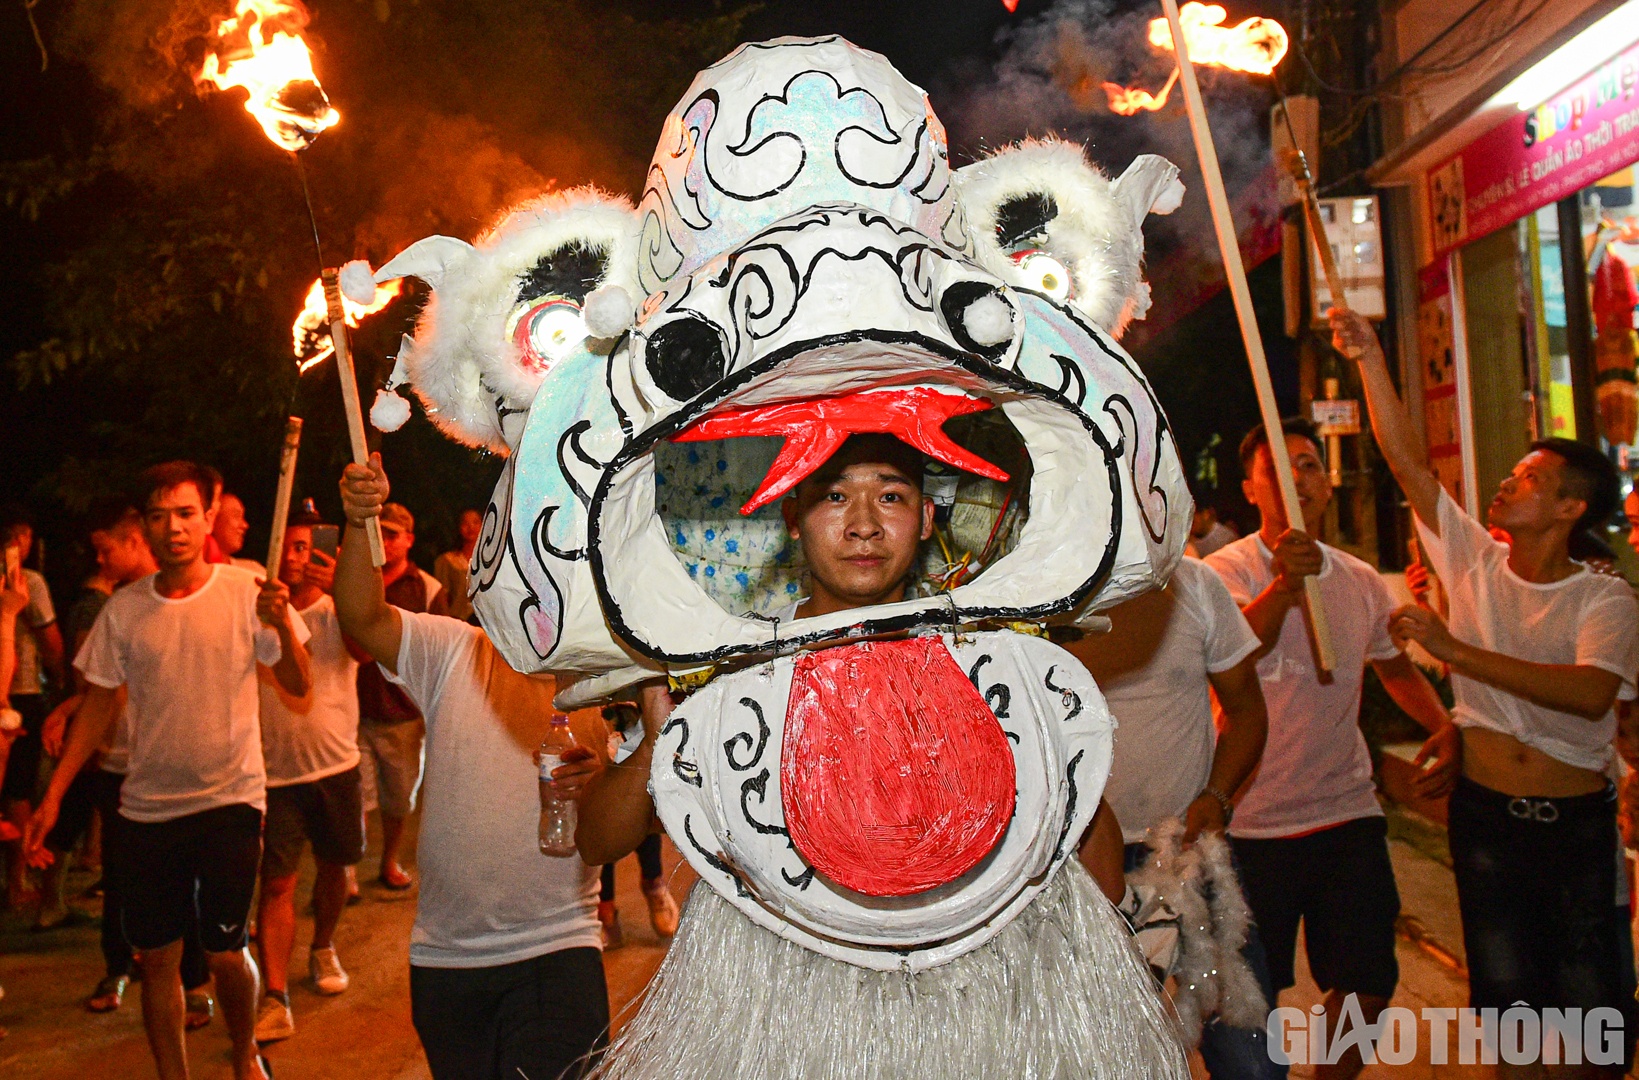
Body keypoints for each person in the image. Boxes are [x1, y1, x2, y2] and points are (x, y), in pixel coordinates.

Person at [1338, 307, 1639, 1073]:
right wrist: (1371, 357)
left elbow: (1587, 696)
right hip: (1485, 823)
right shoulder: (1473, 562)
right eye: (1513, 473)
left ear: (1571, 508)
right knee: (1506, 1010)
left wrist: (1451, 649)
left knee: (1588, 1024)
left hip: (1574, 829)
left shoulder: (1602, 599)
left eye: (1530, 479)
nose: (1508, 482)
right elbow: (1409, 465)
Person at [23, 460, 312, 1080]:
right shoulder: (123, 611)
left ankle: (243, 1055)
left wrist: (280, 626)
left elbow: (297, 682)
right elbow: (98, 706)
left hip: (232, 800)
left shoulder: (247, 591)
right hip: (148, 810)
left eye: (185, 514)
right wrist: (55, 797)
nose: (173, 528)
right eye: (159, 516)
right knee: (156, 958)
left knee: (225, 951)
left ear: (208, 518)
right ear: (144, 527)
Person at [334, 453, 611, 1080]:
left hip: (556, 946)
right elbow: (361, 616)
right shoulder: (451, 648)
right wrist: (358, 521)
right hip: (444, 958)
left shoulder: (607, 670)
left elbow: (642, 804)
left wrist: (604, 782)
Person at [1204, 418, 1456, 1080]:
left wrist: (1442, 724)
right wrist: (1283, 588)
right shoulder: (1221, 573)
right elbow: (1227, 655)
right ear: (1250, 489)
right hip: (1250, 822)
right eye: (1279, 467)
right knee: (1248, 1000)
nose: (1300, 477)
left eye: (1310, 464)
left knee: (1368, 982)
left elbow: (1391, 666)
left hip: (1345, 813)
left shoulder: (1357, 579)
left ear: (1325, 483)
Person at [1067, 555, 1279, 1078]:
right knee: (1102, 1056)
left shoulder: (1196, 583)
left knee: (1251, 1061)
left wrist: (1218, 796)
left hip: (1185, 857)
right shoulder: (1048, 586)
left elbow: (1248, 710)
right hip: (1078, 869)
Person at [37, 506, 217, 1020]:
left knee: (191, 878)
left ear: (138, 542)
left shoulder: (198, 594)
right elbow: (102, 688)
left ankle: (195, 976)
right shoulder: (119, 608)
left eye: (109, 547)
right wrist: (70, 714)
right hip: (123, 767)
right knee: (121, 878)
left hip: (185, 770)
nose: (101, 558)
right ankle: (119, 965)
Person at [253, 511, 364, 1043]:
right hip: (274, 772)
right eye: (289, 548)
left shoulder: (336, 609)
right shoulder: (257, 613)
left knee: (335, 869)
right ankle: (274, 992)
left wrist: (343, 593)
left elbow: (367, 652)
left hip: (336, 764)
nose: (296, 559)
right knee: (276, 881)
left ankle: (323, 944)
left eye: (306, 548)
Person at [356, 501, 442, 890]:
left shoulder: (427, 588)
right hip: (352, 709)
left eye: (392, 534)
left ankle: (389, 859)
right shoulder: (357, 581)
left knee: (398, 799)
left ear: (408, 540)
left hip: (402, 715)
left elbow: (440, 651)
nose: (384, 542)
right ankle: (344, 870)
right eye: (378, 532)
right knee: (354, 797)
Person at [1, 504, 65, 908]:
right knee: (20, 786)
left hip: (14, 694)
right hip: (18, 692)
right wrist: (61, 677)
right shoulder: (29, 584)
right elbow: (50, 640)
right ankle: (17, 879)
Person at [592, 703, 678, 949]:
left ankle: (654, 883)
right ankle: (605, 907)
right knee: (602, 809)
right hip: (595, 709)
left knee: (640, 793)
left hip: (633, 706)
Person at [434, 509, 482, 623]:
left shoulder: (492, 562)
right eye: (466, 523)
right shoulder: (447, 561)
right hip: (457, 623)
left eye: (475, 522)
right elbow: (441, 598)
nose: (471, 527)